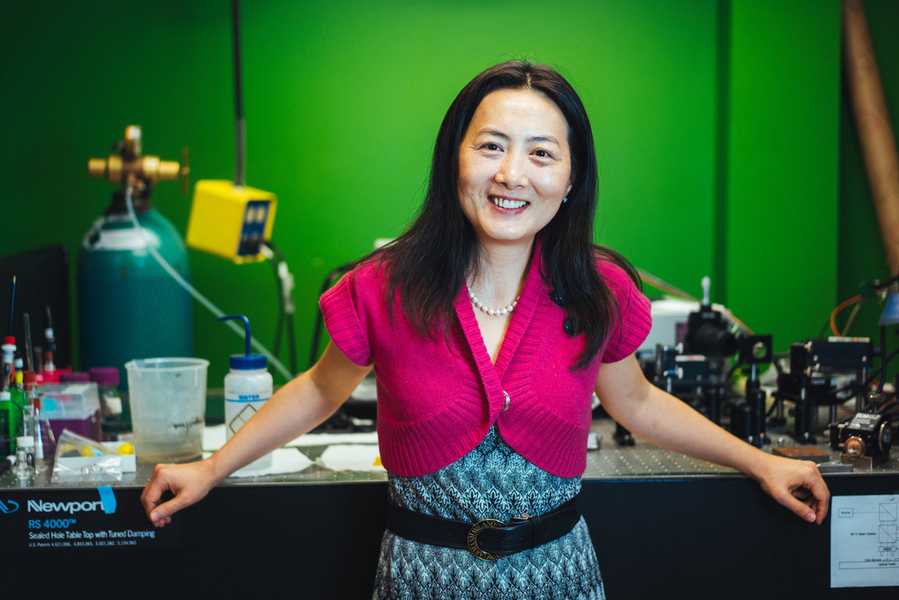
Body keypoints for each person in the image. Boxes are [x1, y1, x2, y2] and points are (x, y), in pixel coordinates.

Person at [141, 60, 830, 599]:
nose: (510, 174)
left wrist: (760, 460)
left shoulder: (598, 290)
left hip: (558, 577)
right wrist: (210, 469)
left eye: (540, 154)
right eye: (491, 146)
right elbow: (318, 392)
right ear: (454, 160)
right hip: (420, 578)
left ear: (570, 179)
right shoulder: (384, 285)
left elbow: (639, 403)